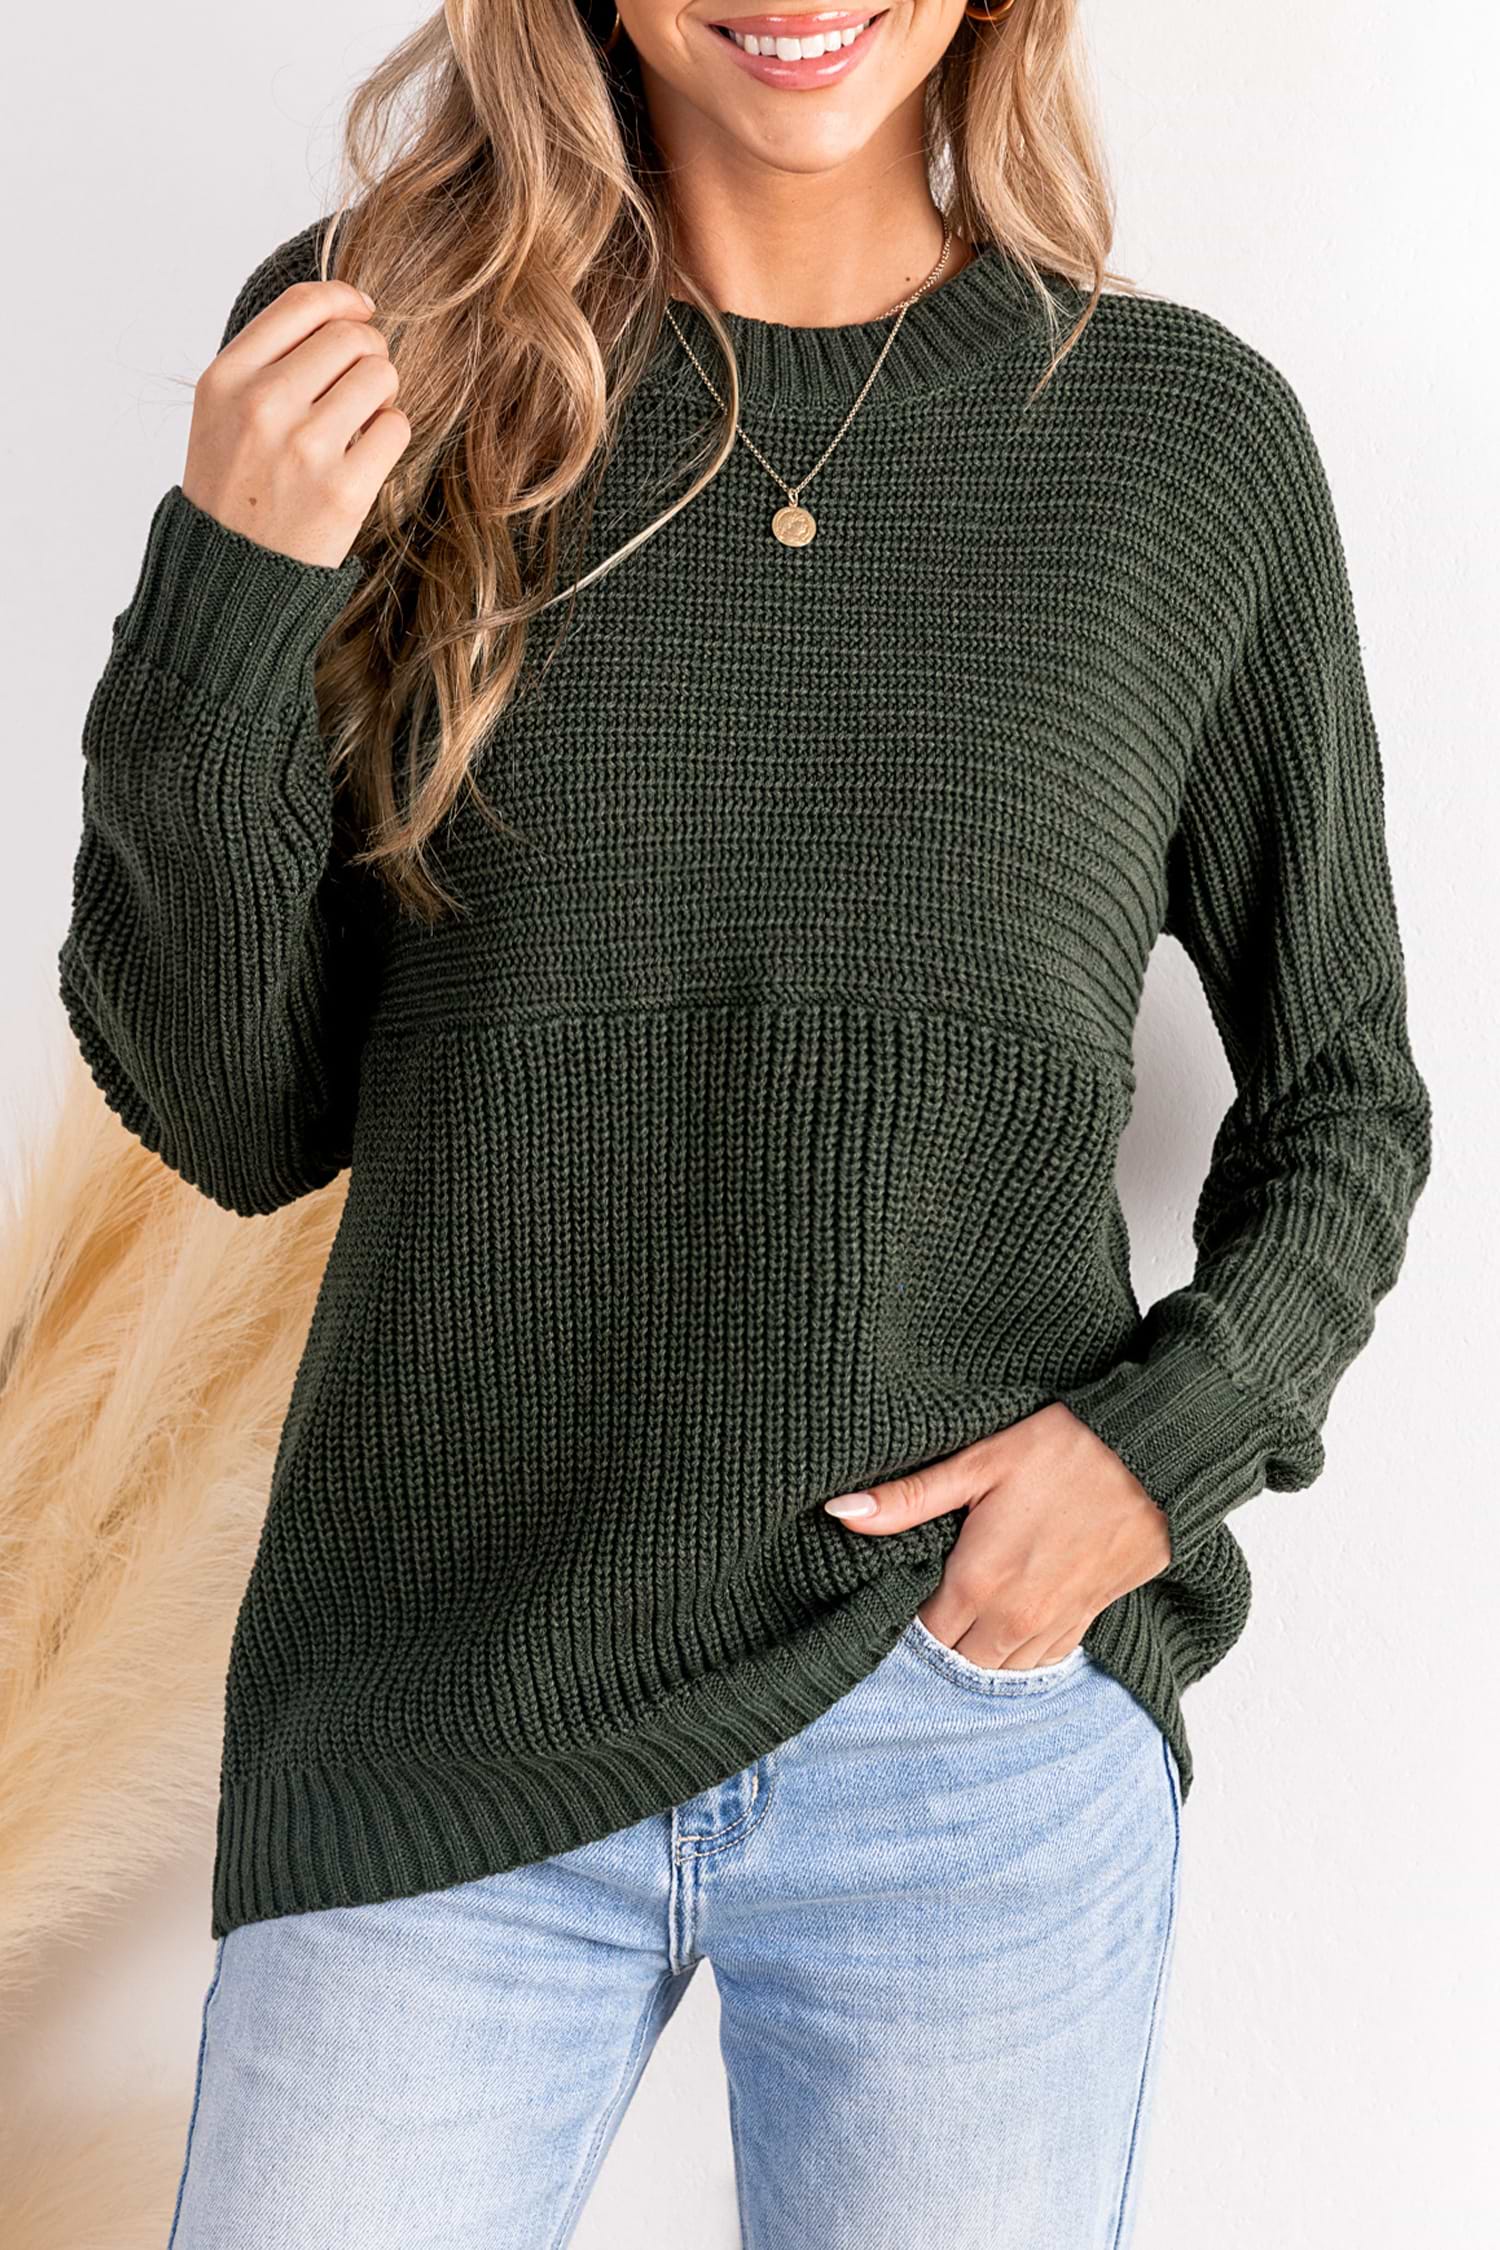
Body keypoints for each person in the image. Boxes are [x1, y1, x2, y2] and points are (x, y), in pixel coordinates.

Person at [56, 1, 1433, 2242]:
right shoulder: (384, 359)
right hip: (439, 1701)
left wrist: (1151, 1459)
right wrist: (229, 587)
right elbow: (238, 1115)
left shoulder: (1182, 445)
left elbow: (1345, 1097)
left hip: (967, 1728)